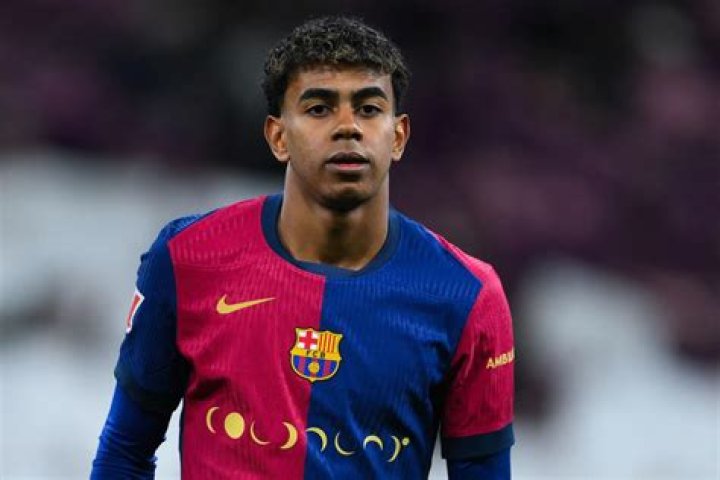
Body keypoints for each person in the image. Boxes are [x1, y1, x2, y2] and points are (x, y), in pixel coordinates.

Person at [91, 15, 515, 479]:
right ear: (278, 137)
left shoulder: (466, 295)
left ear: (398, 136)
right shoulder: (188, 257)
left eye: (368, 108)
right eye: (319, 108)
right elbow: (124, 453)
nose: (348, 127)